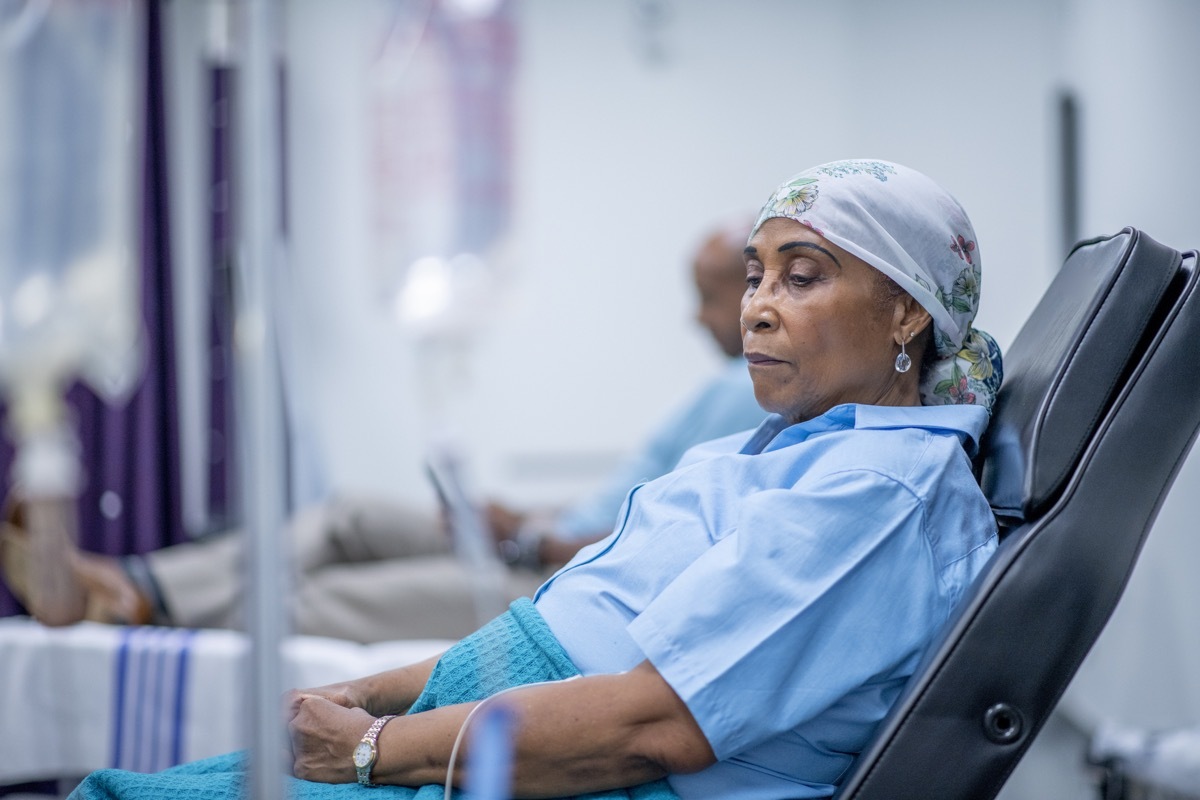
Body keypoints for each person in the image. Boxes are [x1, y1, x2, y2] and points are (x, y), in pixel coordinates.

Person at [65, 159, 1005, 800]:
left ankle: (134, 594)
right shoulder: (798, 448)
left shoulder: (878, 497)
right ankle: (135, 589)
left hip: (581, 768)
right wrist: (377, 693)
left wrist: (371, 749)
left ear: (906, 314)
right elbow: (585, 619)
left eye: (801, 278)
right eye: (756, 276)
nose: (756, 307)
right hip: (510, 724)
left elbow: (653, 726)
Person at [0, 218, 766, 643]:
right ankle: (136, 585)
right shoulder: (725, 391)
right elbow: (634, 504)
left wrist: (533, 540)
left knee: (321, 598)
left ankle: (130, 606)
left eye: (708, 296)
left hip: (559, 584)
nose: (695, 317)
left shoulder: (751, 393)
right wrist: (524, 519)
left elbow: (668, 545)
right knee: (348, 515)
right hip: (542, 545)